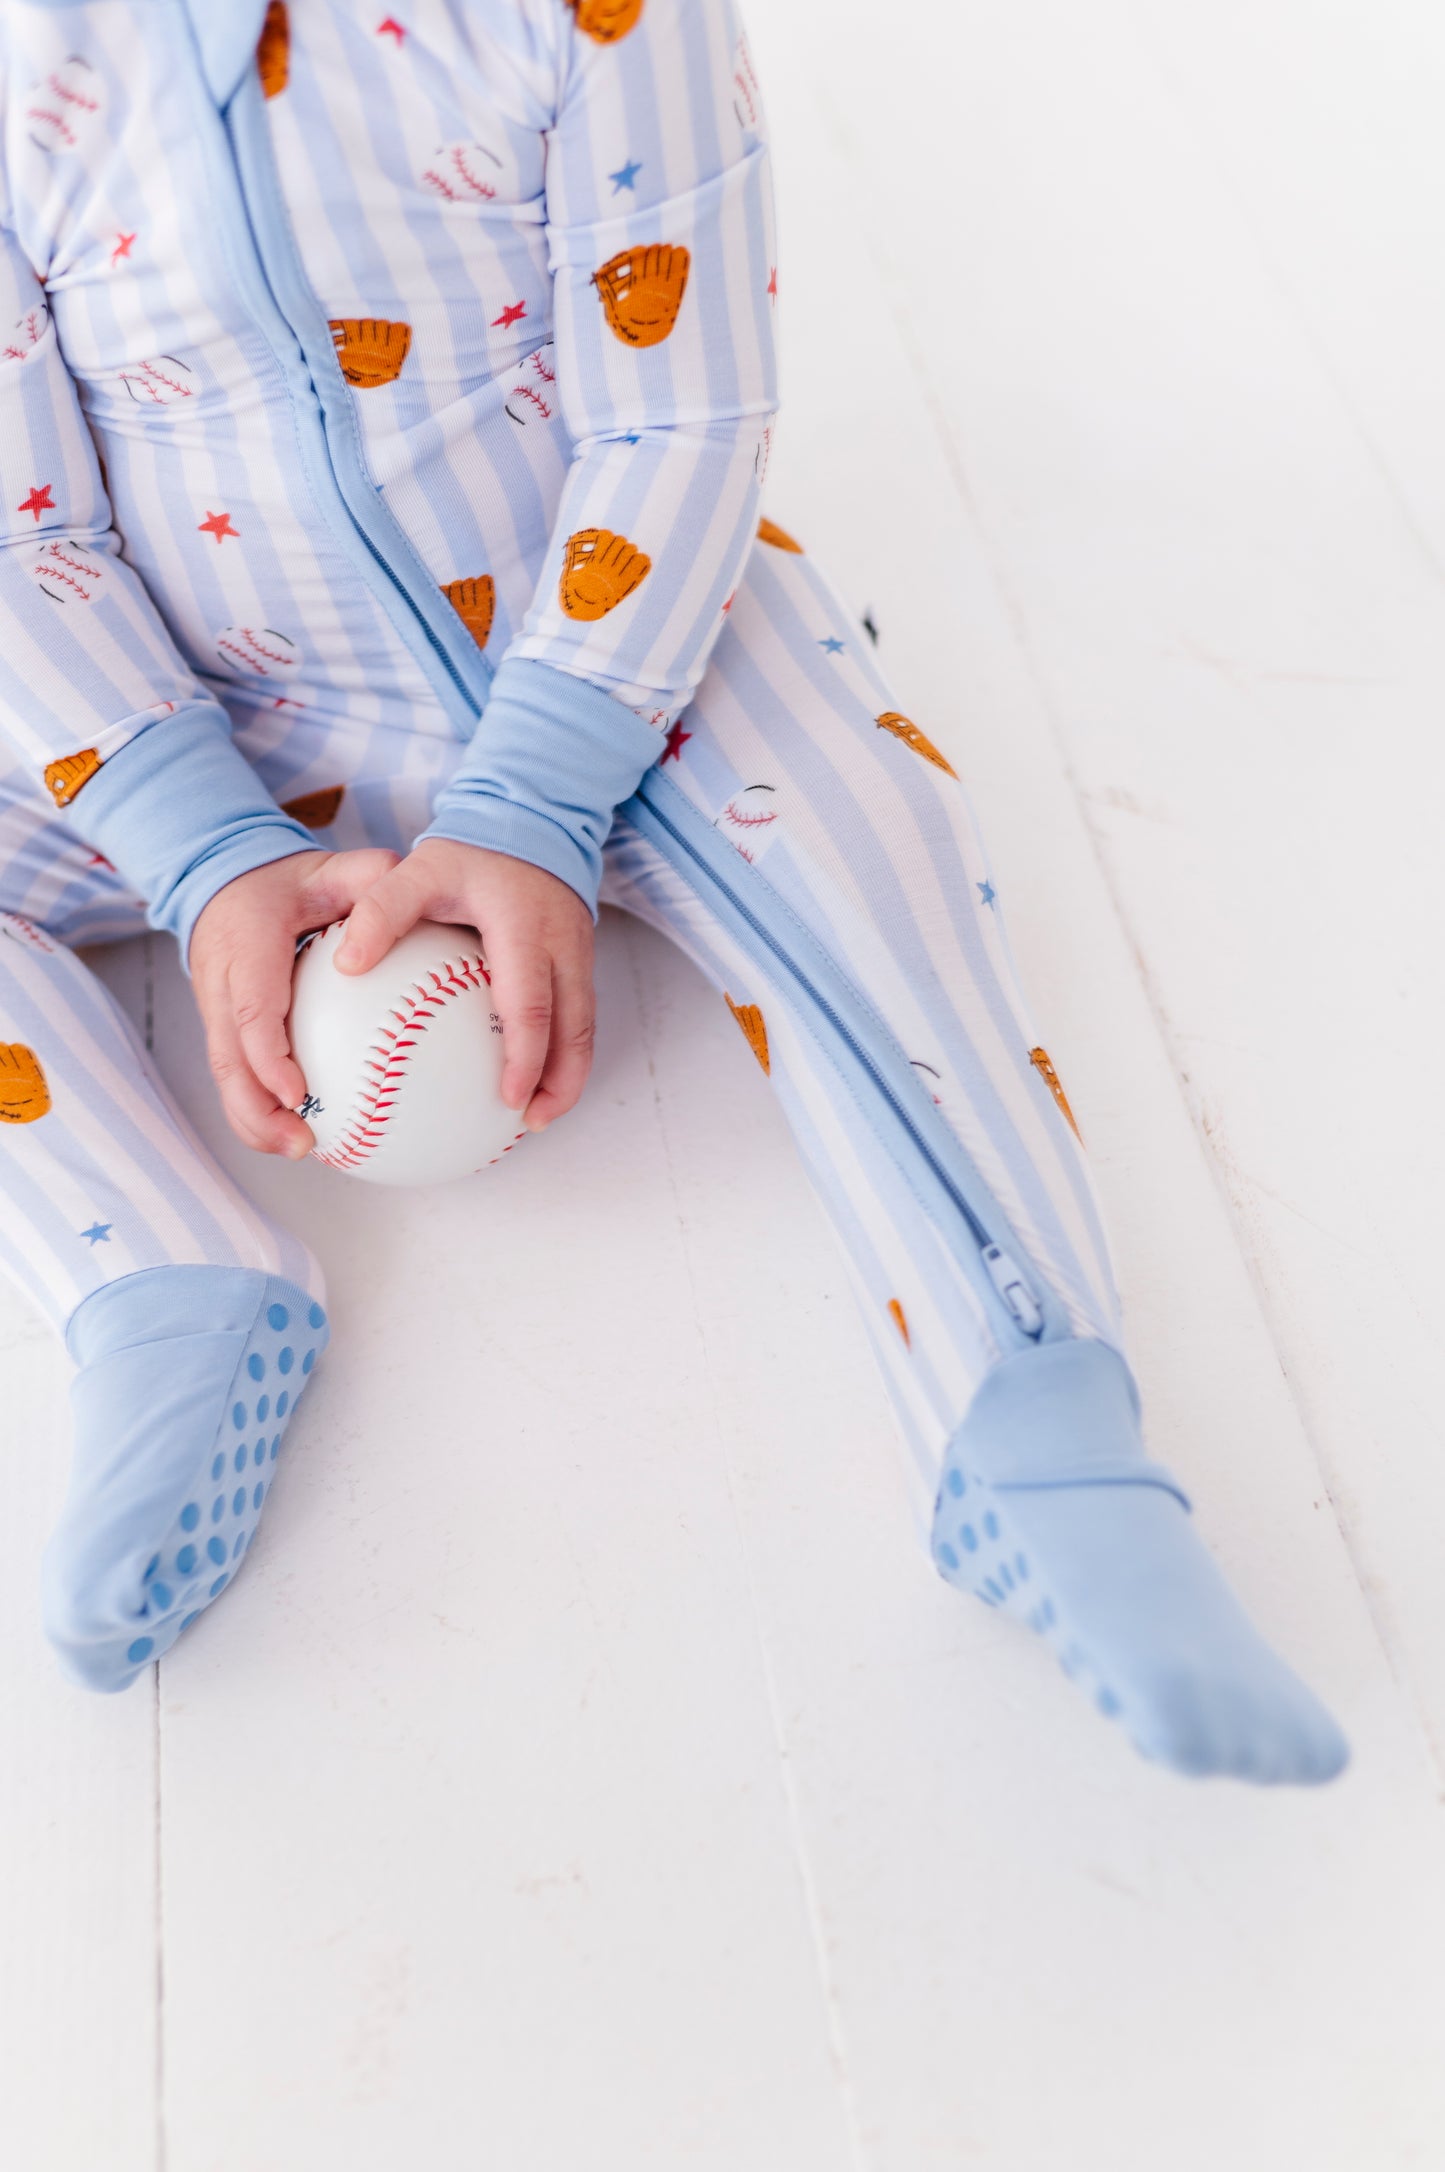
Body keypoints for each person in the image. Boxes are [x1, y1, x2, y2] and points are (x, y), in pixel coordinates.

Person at [0, 0, 1347, 1782]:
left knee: (869, 839)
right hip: (196, 691)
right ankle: (161, 1279)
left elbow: (682, 408)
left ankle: (1030, 1417)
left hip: (622, 636)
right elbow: (26, 530)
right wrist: (202, 846)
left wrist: (544, 785)